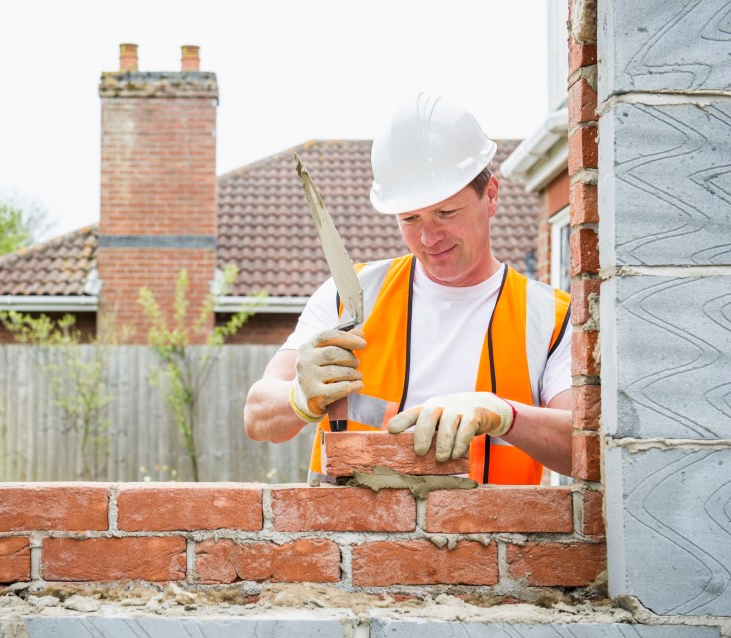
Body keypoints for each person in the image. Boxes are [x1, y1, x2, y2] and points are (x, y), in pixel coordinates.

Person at [243, 93, 572, 486]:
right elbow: (258, 417)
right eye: (410, 218)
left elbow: (584, 449)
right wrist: (299, 394)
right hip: (352, 544)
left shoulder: (549, 317)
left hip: (491, 544)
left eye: (446, 213)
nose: (428, 236)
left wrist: (504, 414)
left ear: (491, 195)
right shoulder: (350, 295)